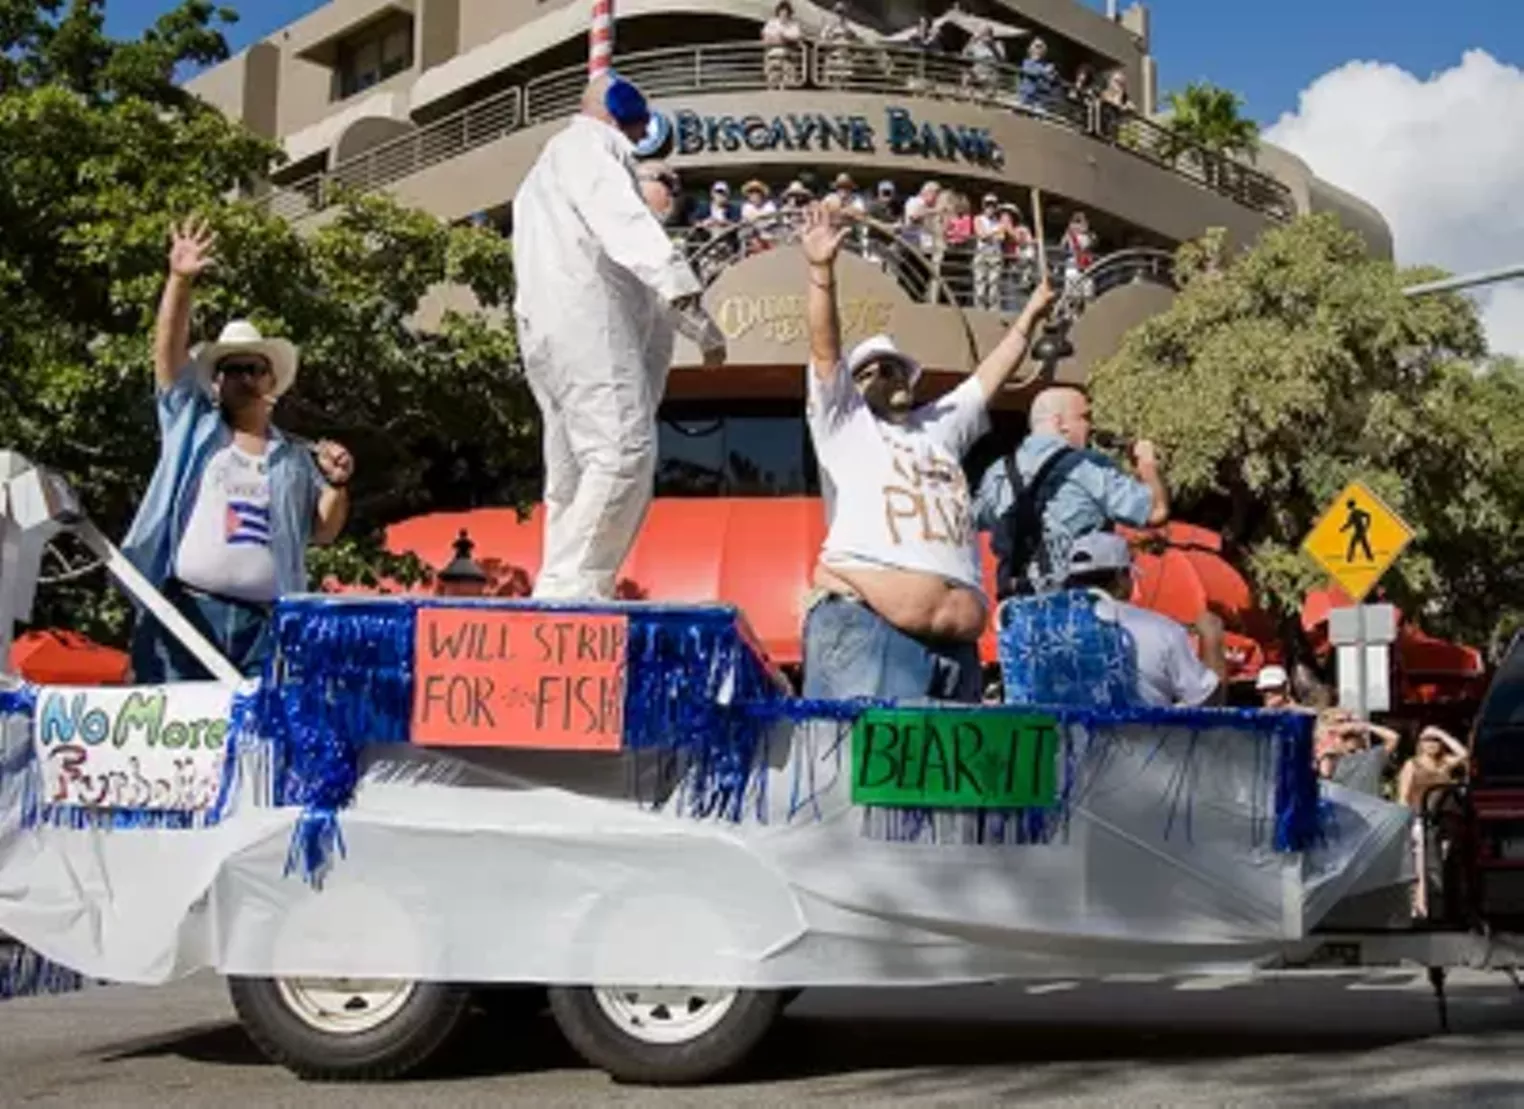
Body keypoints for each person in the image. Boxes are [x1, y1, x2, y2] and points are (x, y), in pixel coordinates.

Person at [798, 203, 1057, 701]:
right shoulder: (844, 424)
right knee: (862, 776)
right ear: (854, 387)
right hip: (871, 630)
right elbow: (826, 351)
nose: (891, 375)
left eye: (898, 368)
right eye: (874, 371)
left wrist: (1030, 314)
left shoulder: (936, 429)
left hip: (956, 652)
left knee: (948, 782)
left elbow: (989, 377)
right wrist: (821, 271)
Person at [512, 74, 726, 600]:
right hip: (587, 315)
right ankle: (573, 588)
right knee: (622, 453)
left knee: (574, 473)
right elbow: (625, 221)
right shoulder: (590, 147)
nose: (670, 190)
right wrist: (688, 302)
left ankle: (560, 580)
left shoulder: (542, 178)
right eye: (665, 180)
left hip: (551, 326)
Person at [122, 219, 352, 681]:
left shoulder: (293, 456)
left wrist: (338, 483)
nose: (244, 378)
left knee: (252, 742)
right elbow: (168, 356)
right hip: (186, 611)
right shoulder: (193, 426)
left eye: (254, 369)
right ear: (216, 381)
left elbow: (322, 531)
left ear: (272, 382)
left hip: (264, 625)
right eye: (232, 369)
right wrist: (180, 281)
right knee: (177, 732)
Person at [978, 386, 1170, 597]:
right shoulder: (1087, 466)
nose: (1091, 426)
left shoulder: (996, 473)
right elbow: (1156, 512)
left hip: (1018, 604)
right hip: (1079, 605)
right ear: (1060, 423)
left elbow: (977, 521)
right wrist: (1147, 467)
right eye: (1085, 417)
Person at [1047, 532, 1226, 707]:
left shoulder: (1041, 629)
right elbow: (1208, 702)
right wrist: (1212, 639)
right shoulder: (1161, 630)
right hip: (1141, 735)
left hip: (1053, 735)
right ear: (1121, 578)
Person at [762, 1, 803, 89]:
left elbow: (796, 37)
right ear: (778, 12)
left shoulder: (794, 24)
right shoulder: (771, 23)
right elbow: (766, 37)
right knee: (772, 81)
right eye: (782, 12)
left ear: (789, 13)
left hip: (788, 57)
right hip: (773, 56)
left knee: (788, 83)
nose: (783, 15)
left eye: (786, 13)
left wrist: (783, 37)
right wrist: (781, 39)